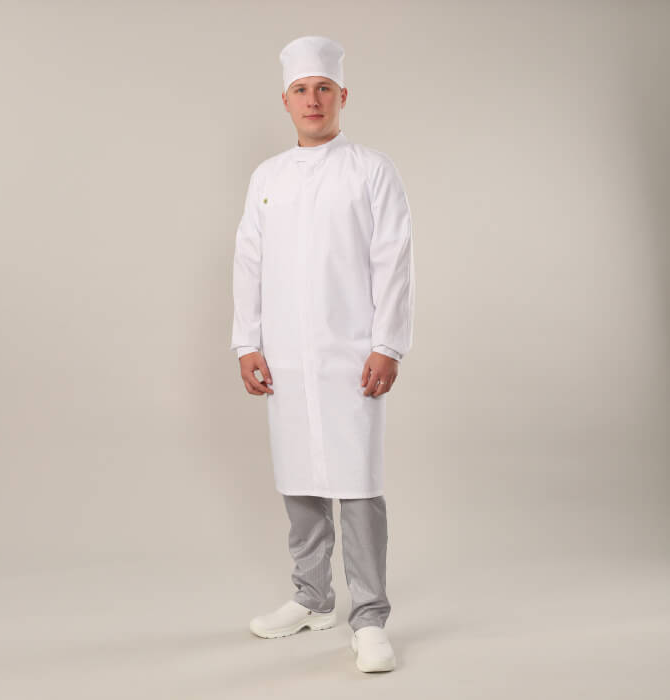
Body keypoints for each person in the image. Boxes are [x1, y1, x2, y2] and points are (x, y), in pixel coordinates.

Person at [230, 35, 415, 673]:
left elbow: (393, 259)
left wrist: (387, 343)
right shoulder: (268, 177)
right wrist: (247, 341)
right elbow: (249, 261)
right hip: (286, 353)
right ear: (286, 101)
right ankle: (312, 597)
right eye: (301, 90)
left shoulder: (371, 170)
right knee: (299, 478)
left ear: (343, 96)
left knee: (357, 485)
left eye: (324, 89)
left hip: (351, 352)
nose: (313, 100)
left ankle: (370, 618)